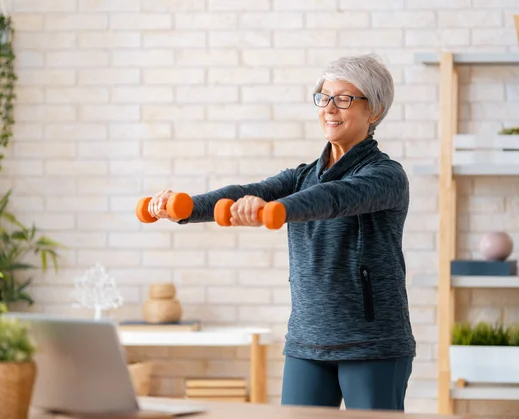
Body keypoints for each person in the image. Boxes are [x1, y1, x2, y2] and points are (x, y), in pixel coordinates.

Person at [147, 54, 415, 411]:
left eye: (345, 98)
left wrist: (278, 210)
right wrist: (182, 207)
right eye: (324, 97)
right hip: (307, 342)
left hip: (372, 344)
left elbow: (333, 197)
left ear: (375, 111)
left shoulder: (385, 176)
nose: (330, 108)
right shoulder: (302, 176)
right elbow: (241, 191)